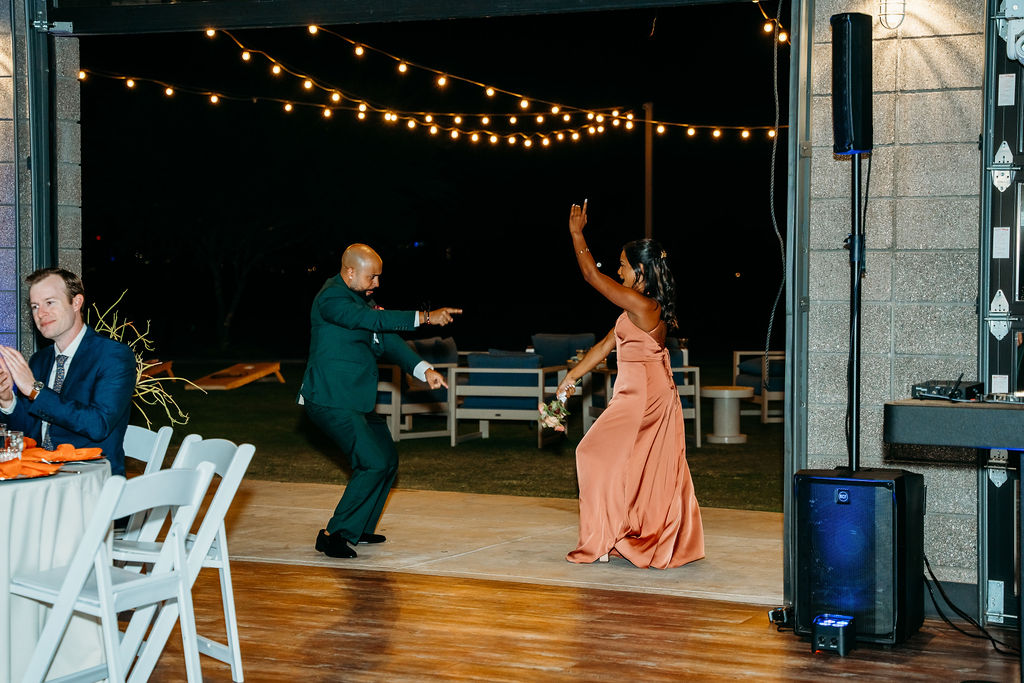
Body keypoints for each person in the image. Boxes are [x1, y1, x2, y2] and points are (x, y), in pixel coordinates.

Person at [556, 201, 704, 569]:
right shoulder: (633, 310)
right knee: (623, 464)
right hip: (637, 395)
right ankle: (611, 535)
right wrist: (570, 378)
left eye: (622, 264)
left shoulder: (645, 306)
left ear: (639, 270)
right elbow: (605, 346)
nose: (617, 269)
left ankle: (601, 540)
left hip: (644, 399)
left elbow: (593, 277)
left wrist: (577, 234)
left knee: (591, 454)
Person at [301, 243, 462, 559]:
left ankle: (358, 529)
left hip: (356, 399)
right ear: (350, 272)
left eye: (378, 277)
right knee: (372, 462)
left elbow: (386, 339)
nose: (376, 284)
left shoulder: (361, 301)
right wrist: (426, 317)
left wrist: (423, 369)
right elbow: (374, 323)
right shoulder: (331, 298)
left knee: (386, 459)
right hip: (331, 398)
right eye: (372, 277)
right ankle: (334, 535)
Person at [0, 267, 136, 476]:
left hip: (90, 481)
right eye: (35, 306)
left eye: (50, 302)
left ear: (76, 302)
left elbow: (98, 425)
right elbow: (31, 432)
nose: (40, 313)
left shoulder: (113, 356)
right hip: (41, 475)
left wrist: (35, 390)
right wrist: (8, 400)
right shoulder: (40, 360)